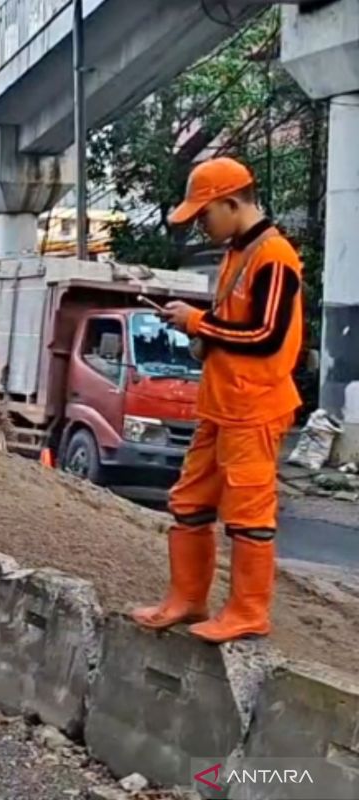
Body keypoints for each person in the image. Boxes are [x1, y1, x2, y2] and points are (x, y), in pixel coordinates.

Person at [131, 157, 303, 643]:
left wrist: (198, 322)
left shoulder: (275, 256)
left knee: (249, 514)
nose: (202, 226)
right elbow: (238, 327)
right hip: (221, 403)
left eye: (205, 215)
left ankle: (248, 611)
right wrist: (198, 322)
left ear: (232, 203)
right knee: (189, 503)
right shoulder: (238, 253)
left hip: (255, 407)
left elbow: (266, 336)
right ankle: (187, 598)